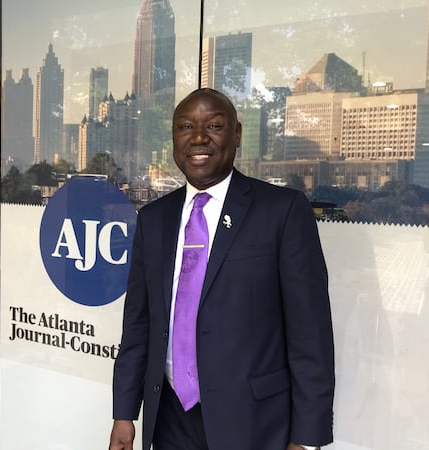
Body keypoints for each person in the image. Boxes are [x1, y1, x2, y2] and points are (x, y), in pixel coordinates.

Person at [109, 88, 334, 450]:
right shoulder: (154, 220)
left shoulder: (282, 211)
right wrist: (124, 413)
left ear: (237, 134)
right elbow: (138, 325)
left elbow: (311, 336)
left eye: (214, 125)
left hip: (253, 424)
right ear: (174, 139)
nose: (199, 137)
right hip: (169, 418)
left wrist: (306, 439)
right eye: (185, 126)